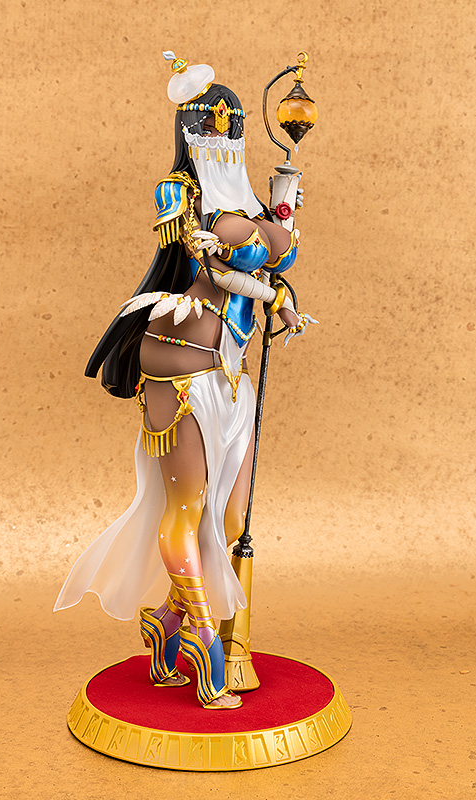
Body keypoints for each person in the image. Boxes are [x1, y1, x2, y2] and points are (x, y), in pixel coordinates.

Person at [54, 52, 314, 710]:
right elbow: (243, 252)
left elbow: (269, 255)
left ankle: (166, 624)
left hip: (231, 371)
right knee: (188, 511)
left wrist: (276, 246)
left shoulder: (248, 198)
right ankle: (203, 644)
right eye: (210, 126)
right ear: (189, 131)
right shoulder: (182, 193)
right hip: (180, 365)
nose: (223, 138)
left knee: (228, 517)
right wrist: (267, 238)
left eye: (233, 128)